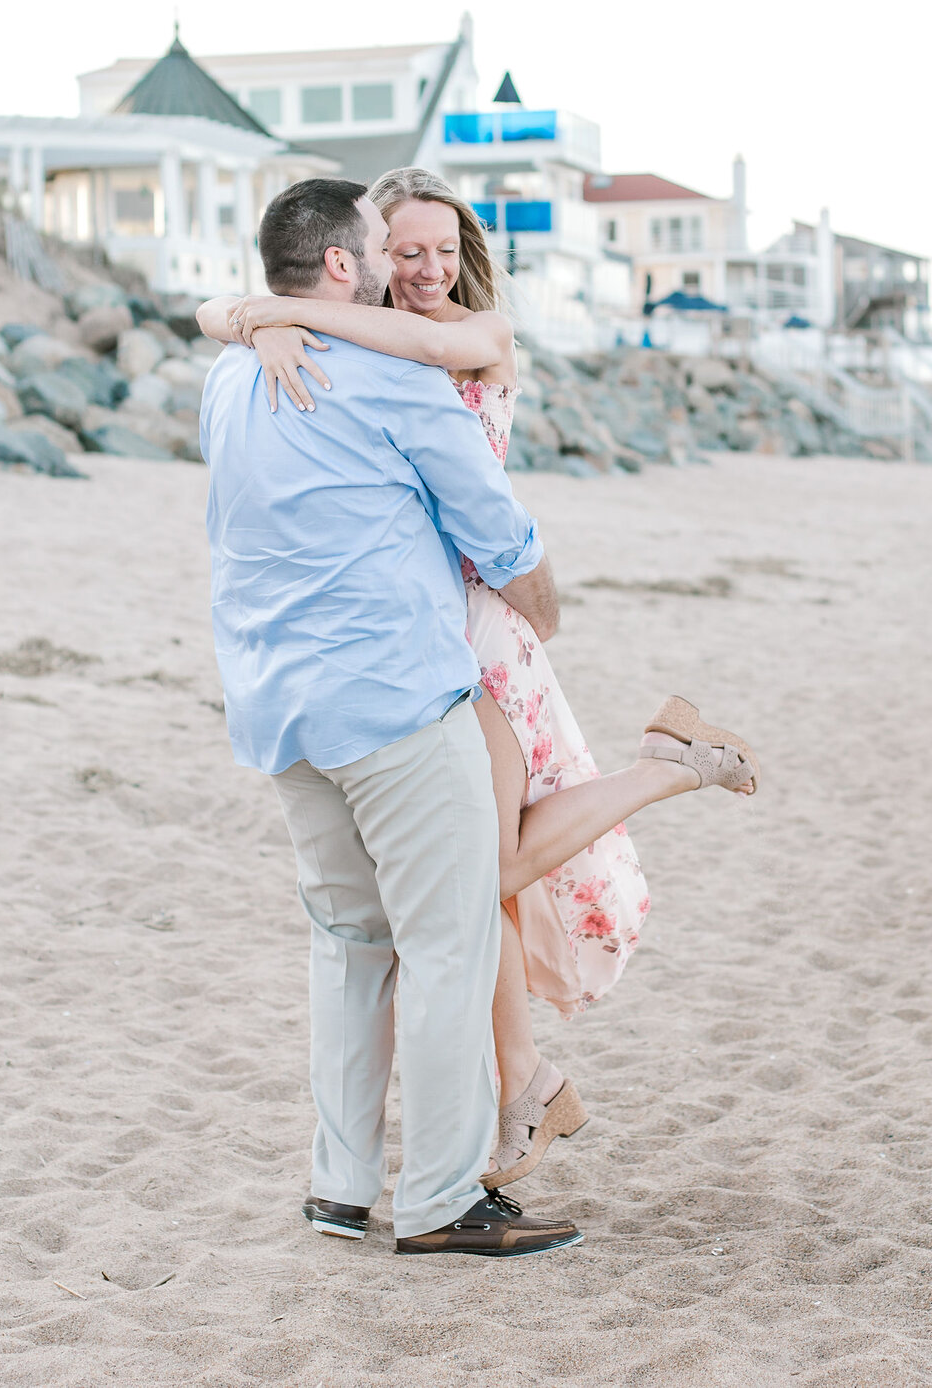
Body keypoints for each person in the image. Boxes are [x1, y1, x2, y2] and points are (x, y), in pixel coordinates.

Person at [199, 165, 757, 1191]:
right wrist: (263, 321)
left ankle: (657, 778)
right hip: (420, 626)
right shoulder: (339, 338)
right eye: (401, 250)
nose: (420, 269)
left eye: (441, 250)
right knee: (477, 882)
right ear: (360, 258)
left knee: (476, 880)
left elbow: (421, 365)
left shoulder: (466, 336)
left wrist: (264, 315)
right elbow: (263, 320)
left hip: (472, 627)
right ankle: (526, 1084)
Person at [201, 176, 584, 1257]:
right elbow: (497, 531)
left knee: (347, 944)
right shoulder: (389, 373)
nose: (388, 257)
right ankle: (441, 1200)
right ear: (341, 266)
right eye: (376, 241)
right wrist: (544, 622)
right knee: (449, 941)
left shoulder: (229, 378)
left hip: (280, 706)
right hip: (396, 702)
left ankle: (340, 1185)